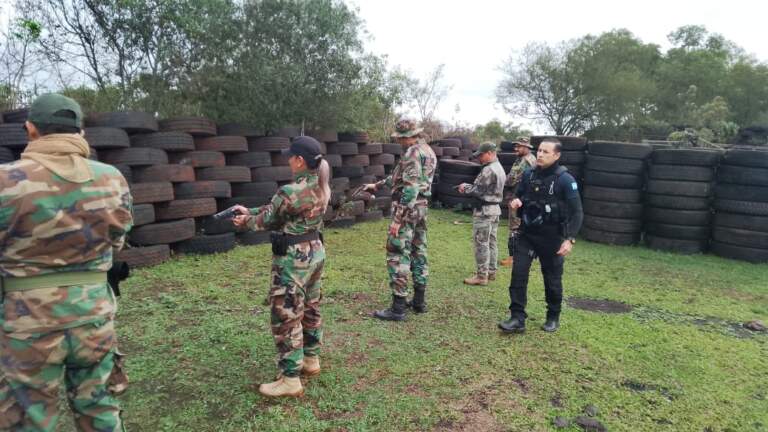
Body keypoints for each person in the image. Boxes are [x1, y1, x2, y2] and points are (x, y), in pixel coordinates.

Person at [0, 93, 133, 431]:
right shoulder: (111, 178)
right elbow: (117, 240)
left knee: (27, 418)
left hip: (28, 321)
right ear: (80, 132)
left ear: (30, 129)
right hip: (94, 315)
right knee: (100, 408)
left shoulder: (6, 180)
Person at [232, 136, 330, 398]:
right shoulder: (321, 185)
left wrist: (245, 220)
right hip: (315, 251)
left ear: (299, 161)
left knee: (286, 314)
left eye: (290, 157)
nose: (287, 161)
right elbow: (278, 211)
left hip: (293, 259)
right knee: (310, 307)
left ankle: (290, 379)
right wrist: (249, 209)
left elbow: (266, 220)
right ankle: (310, 359)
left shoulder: (290, 191)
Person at [498, 138, 583, 334]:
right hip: (527, 234)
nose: (540, 154)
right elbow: (518, 195)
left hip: (552, 238)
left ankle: (553, 316)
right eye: (539, 151)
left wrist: (570, 239)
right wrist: (516, 201)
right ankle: (517, 318)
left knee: (552, 279)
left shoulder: (565, 180)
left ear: (557, 155)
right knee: (518, 275)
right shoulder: (528, 174)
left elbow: (577, 212)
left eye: (546, 152)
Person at [364, 119, 437, 321]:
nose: (399, 142)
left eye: (401, 138)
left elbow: (410, 187)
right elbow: (399, 176)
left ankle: (398, 308)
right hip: (421, 207)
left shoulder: (412, 152)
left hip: (408, 208)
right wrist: (377, 185)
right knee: (419, 250)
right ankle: (419, 302)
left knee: (397, 253)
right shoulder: (427, 151)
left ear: (408, 136)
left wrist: (398, 219)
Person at [457, 142, 506, 286]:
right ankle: (491, 272)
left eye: (481, 155)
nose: (479, 158)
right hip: (495, 209)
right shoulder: (499, 167)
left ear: (490, 153)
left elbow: (478, 190)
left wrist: (465, 187)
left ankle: (481, 276)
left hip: (484, 211)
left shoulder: (488, 169)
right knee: (491, 242)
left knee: (481, 243)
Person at [500, 138, 537, 267]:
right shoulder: (530, 159)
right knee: (522, 227)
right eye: (516, 146)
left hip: (518, 198)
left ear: (527, 147)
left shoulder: (524, 161)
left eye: (519, 146)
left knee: (514, 227)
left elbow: (511, 179)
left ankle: (513, 257)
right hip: (525, 198)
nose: (516, 149)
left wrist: (502, 182)